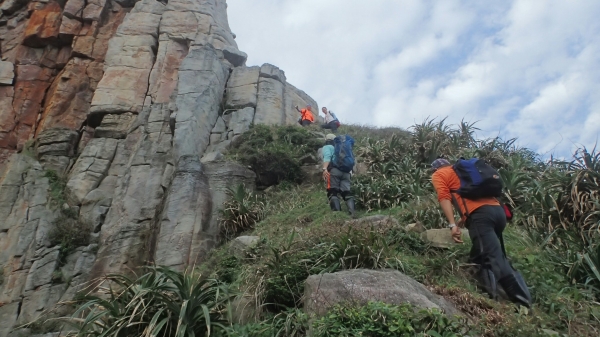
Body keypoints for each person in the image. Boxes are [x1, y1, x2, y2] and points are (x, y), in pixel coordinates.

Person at [430, 158, 531, 307]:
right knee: (480, 256)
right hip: (498, 213)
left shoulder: (439, 174)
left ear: (434, 169)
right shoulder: (463, 171)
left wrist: (452, 225)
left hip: (481, 216)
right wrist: (462, 219)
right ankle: (492, 295)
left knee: (494, 257)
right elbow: (470, 196)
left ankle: (523, 302)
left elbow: (444, 197)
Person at [322, 133, 356, 217]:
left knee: (332, 192)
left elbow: (327, 156)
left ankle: (337, 216)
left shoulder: (327, 147)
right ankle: (353, 213)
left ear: (326, 140)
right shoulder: (343, 148)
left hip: (334, 171)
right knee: (346, 193)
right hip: (346, 172)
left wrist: (325, 169)